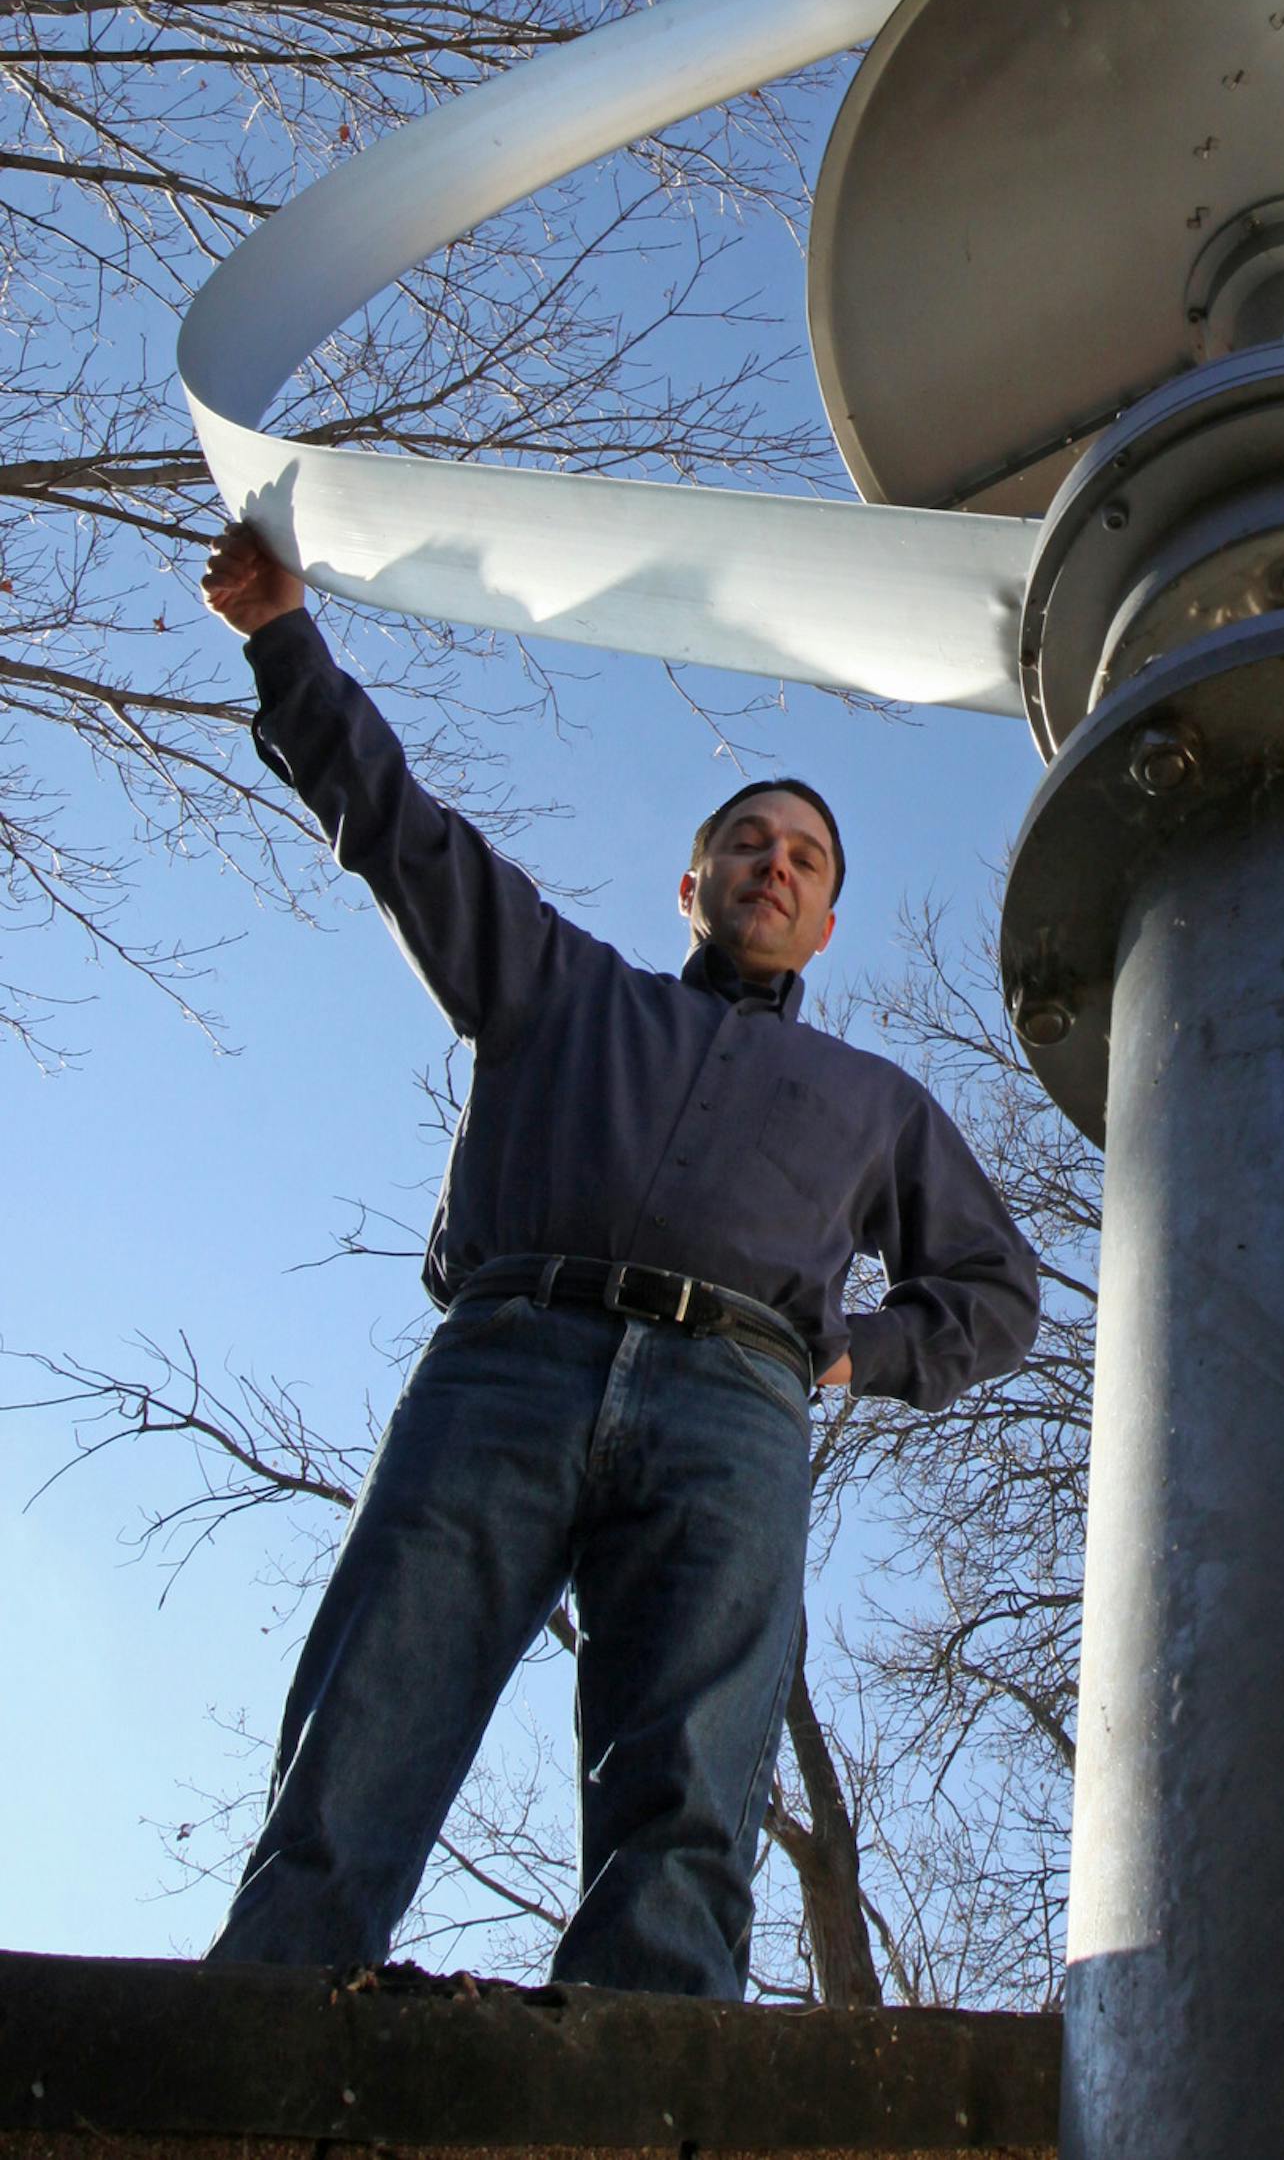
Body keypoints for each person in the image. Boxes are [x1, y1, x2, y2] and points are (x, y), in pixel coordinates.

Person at [196, 520, 1039, 1997]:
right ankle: (266, 2020)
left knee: (692, 1779)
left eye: (804, 859)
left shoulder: (876, 1104)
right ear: (691, 884)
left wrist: (862, 1353)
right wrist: (282, 639)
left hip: (736, 1410)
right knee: (374, 1705)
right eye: (747, 843)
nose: (774, 866)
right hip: (508, 1367)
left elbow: (995, 1293)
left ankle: (645, 2064)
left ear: (826, 924)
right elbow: (399, 829)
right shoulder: (558, 986)